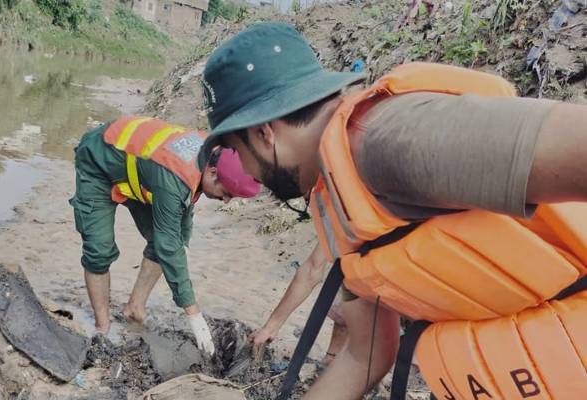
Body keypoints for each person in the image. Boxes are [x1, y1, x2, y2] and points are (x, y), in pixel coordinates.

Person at [196, 21, 587, 399]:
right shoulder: (340, 203)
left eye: (235, 149)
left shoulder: (396, 139)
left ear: (264, 132)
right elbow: (365, 355)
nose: (244, 171)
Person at [70, 116, 260, 356]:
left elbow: (183, 216)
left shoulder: (209, 154)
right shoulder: (175, 176)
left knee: (170, 243)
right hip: (100, 158)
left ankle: (134, 309)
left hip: (141, 171)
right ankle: (103, 327)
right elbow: (168, 244)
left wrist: (183, 246)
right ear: (213, 172)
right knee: (99, 249)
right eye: (226, 193)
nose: (225, 200)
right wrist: (193, 314)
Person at [250, 243, 348, 366]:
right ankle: (332, 359)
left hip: (375, 292)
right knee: (342, 303)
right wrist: (270, 327)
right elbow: (311, 270)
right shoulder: (338, 226)